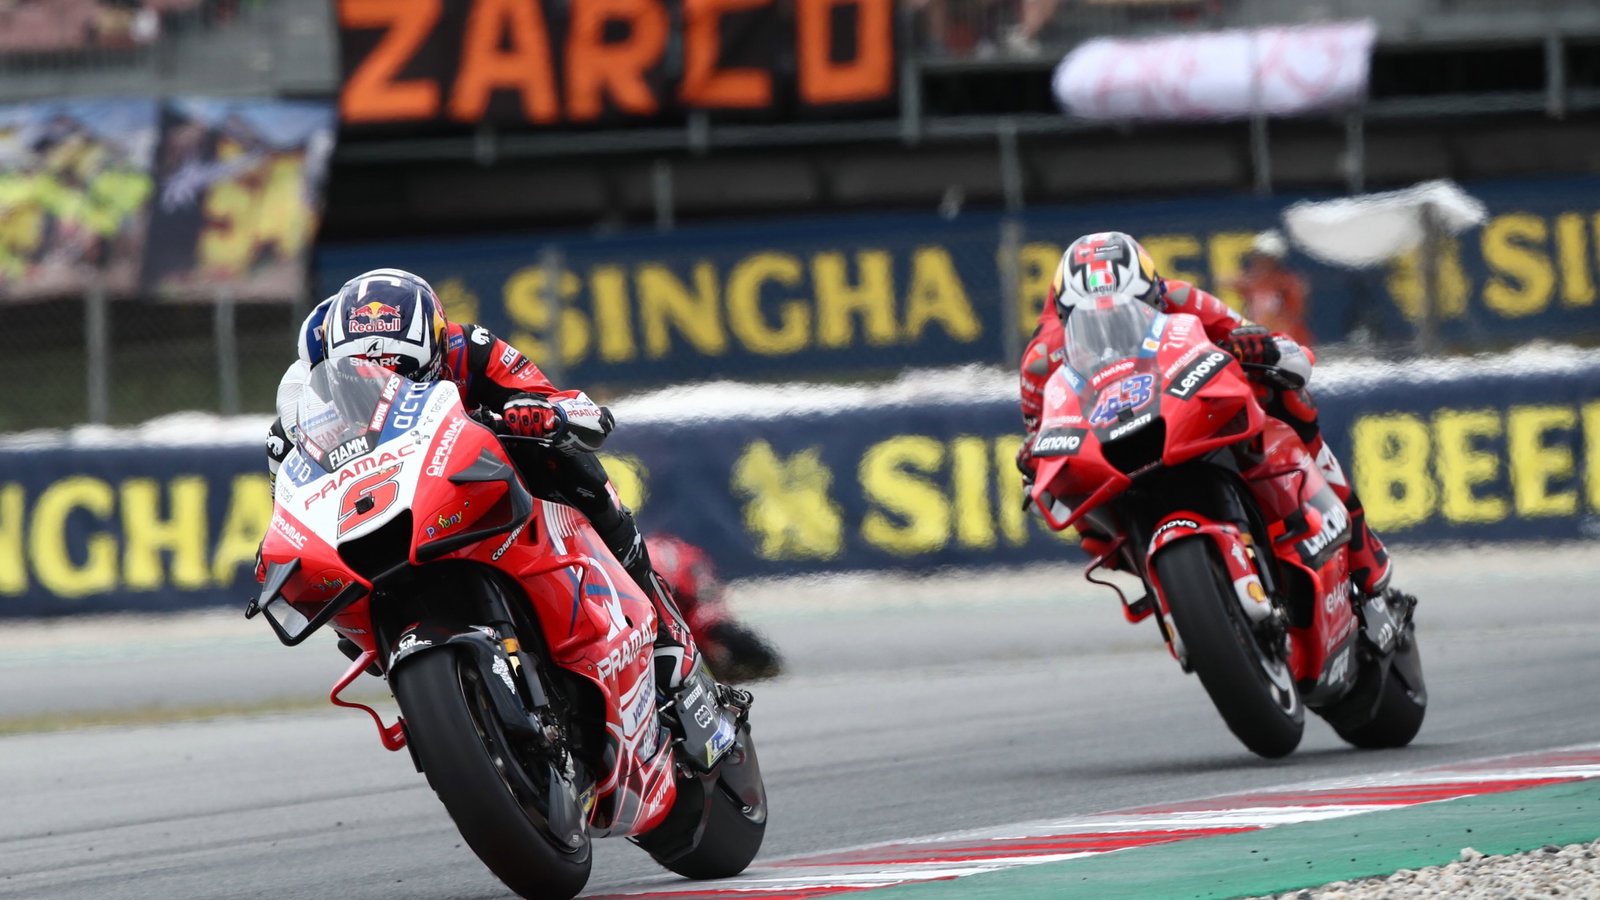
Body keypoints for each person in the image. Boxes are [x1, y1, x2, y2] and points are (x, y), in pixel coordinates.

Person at [263, 268, 702, 689]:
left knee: (568, 463)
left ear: (436, 346)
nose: (389, 381)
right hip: (386, 511)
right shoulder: (301, 409)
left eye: (405, 371)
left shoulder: (468, 346)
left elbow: (580, 410)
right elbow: (289, 507)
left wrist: (544, 414)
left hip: (481, 479)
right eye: (370, 375)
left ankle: (664, 630)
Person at [1016, 232, 1412, 611]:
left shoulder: (1182, 298)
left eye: (1128, 308)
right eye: (1092, 320)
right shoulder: (1041, 359)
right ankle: (1159, 578)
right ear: (1066, 316)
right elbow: (1041, 439)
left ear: (1154, 293)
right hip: (1113, 445)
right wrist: (1033, 460)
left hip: (1184, 411)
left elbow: (1278, 350)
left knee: (1287, 393)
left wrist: (1259, 346)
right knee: (1073, 503)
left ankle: (1359, 538)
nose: (1110, 326)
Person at [647, 534, 782, 683]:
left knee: (715, 628)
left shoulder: (684, 566)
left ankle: (751, 663)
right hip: (658, 612)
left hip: (685, 605)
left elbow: (705, 596)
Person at [1226, 230, 1314, 348]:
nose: (1258, 263)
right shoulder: (1252, 283)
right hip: (1261, 340)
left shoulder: (1287, 284)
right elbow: (1227, 281)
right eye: (1256, 258)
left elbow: (1294, 314)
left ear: (1274, 261)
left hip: (1289, 340)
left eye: (1264, 259)